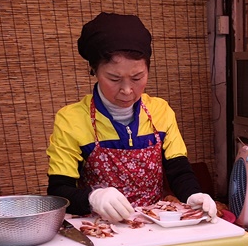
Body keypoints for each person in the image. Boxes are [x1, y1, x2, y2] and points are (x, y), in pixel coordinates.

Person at [46, 12, 217, 223]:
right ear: (93, 70)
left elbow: (178, 170)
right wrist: (93, 197)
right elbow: (59, 192)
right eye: (114, 78)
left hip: (154, 224)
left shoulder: (160, 111)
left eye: (137, 77)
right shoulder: (71, 120)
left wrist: (193, 195)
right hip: (100, 227)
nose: (127, 90)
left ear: (148, 68)